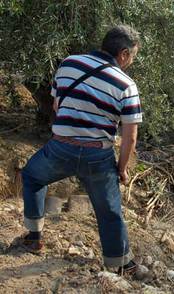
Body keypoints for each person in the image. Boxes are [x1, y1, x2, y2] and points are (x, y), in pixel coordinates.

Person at [20, 25, 142, 276]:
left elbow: (56, 104)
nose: (130, 62)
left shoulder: (69, 63)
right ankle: (119, 264)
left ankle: (34, 237)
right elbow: (130, 137)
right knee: (109, 210)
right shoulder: (126, 85)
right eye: (133, 56)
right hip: (98, 156)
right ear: (123, 54)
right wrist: (121, 169)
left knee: (32, 176)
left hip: (60, 149)